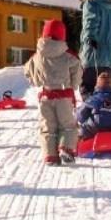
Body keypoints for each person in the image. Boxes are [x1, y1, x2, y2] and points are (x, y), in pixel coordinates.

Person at [24, 19, 82, 166]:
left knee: (48, 127)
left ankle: (50, 156)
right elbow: (77, 72)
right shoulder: (68, 55)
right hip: (63, 96)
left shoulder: (37, 56)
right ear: (62, 34)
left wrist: (36, 80)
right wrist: (74, 85)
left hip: (45, 96)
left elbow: (27, 71)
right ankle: (66, 148)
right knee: (68, 125)